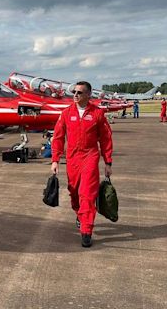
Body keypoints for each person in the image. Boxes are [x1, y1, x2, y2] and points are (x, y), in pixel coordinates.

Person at [51, 81, 113, 248]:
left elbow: (106, 139)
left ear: (88, 95)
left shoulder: (97, 114)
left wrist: (108, 161)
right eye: (74, 92)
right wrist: (55, 159)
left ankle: (86, 230)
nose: (75, 95)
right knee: (74, 193)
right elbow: (57, 137)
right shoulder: (66, 113)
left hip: (90, 157)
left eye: (79, 92)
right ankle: (80, 214)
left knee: (87, 194)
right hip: (72, 159)